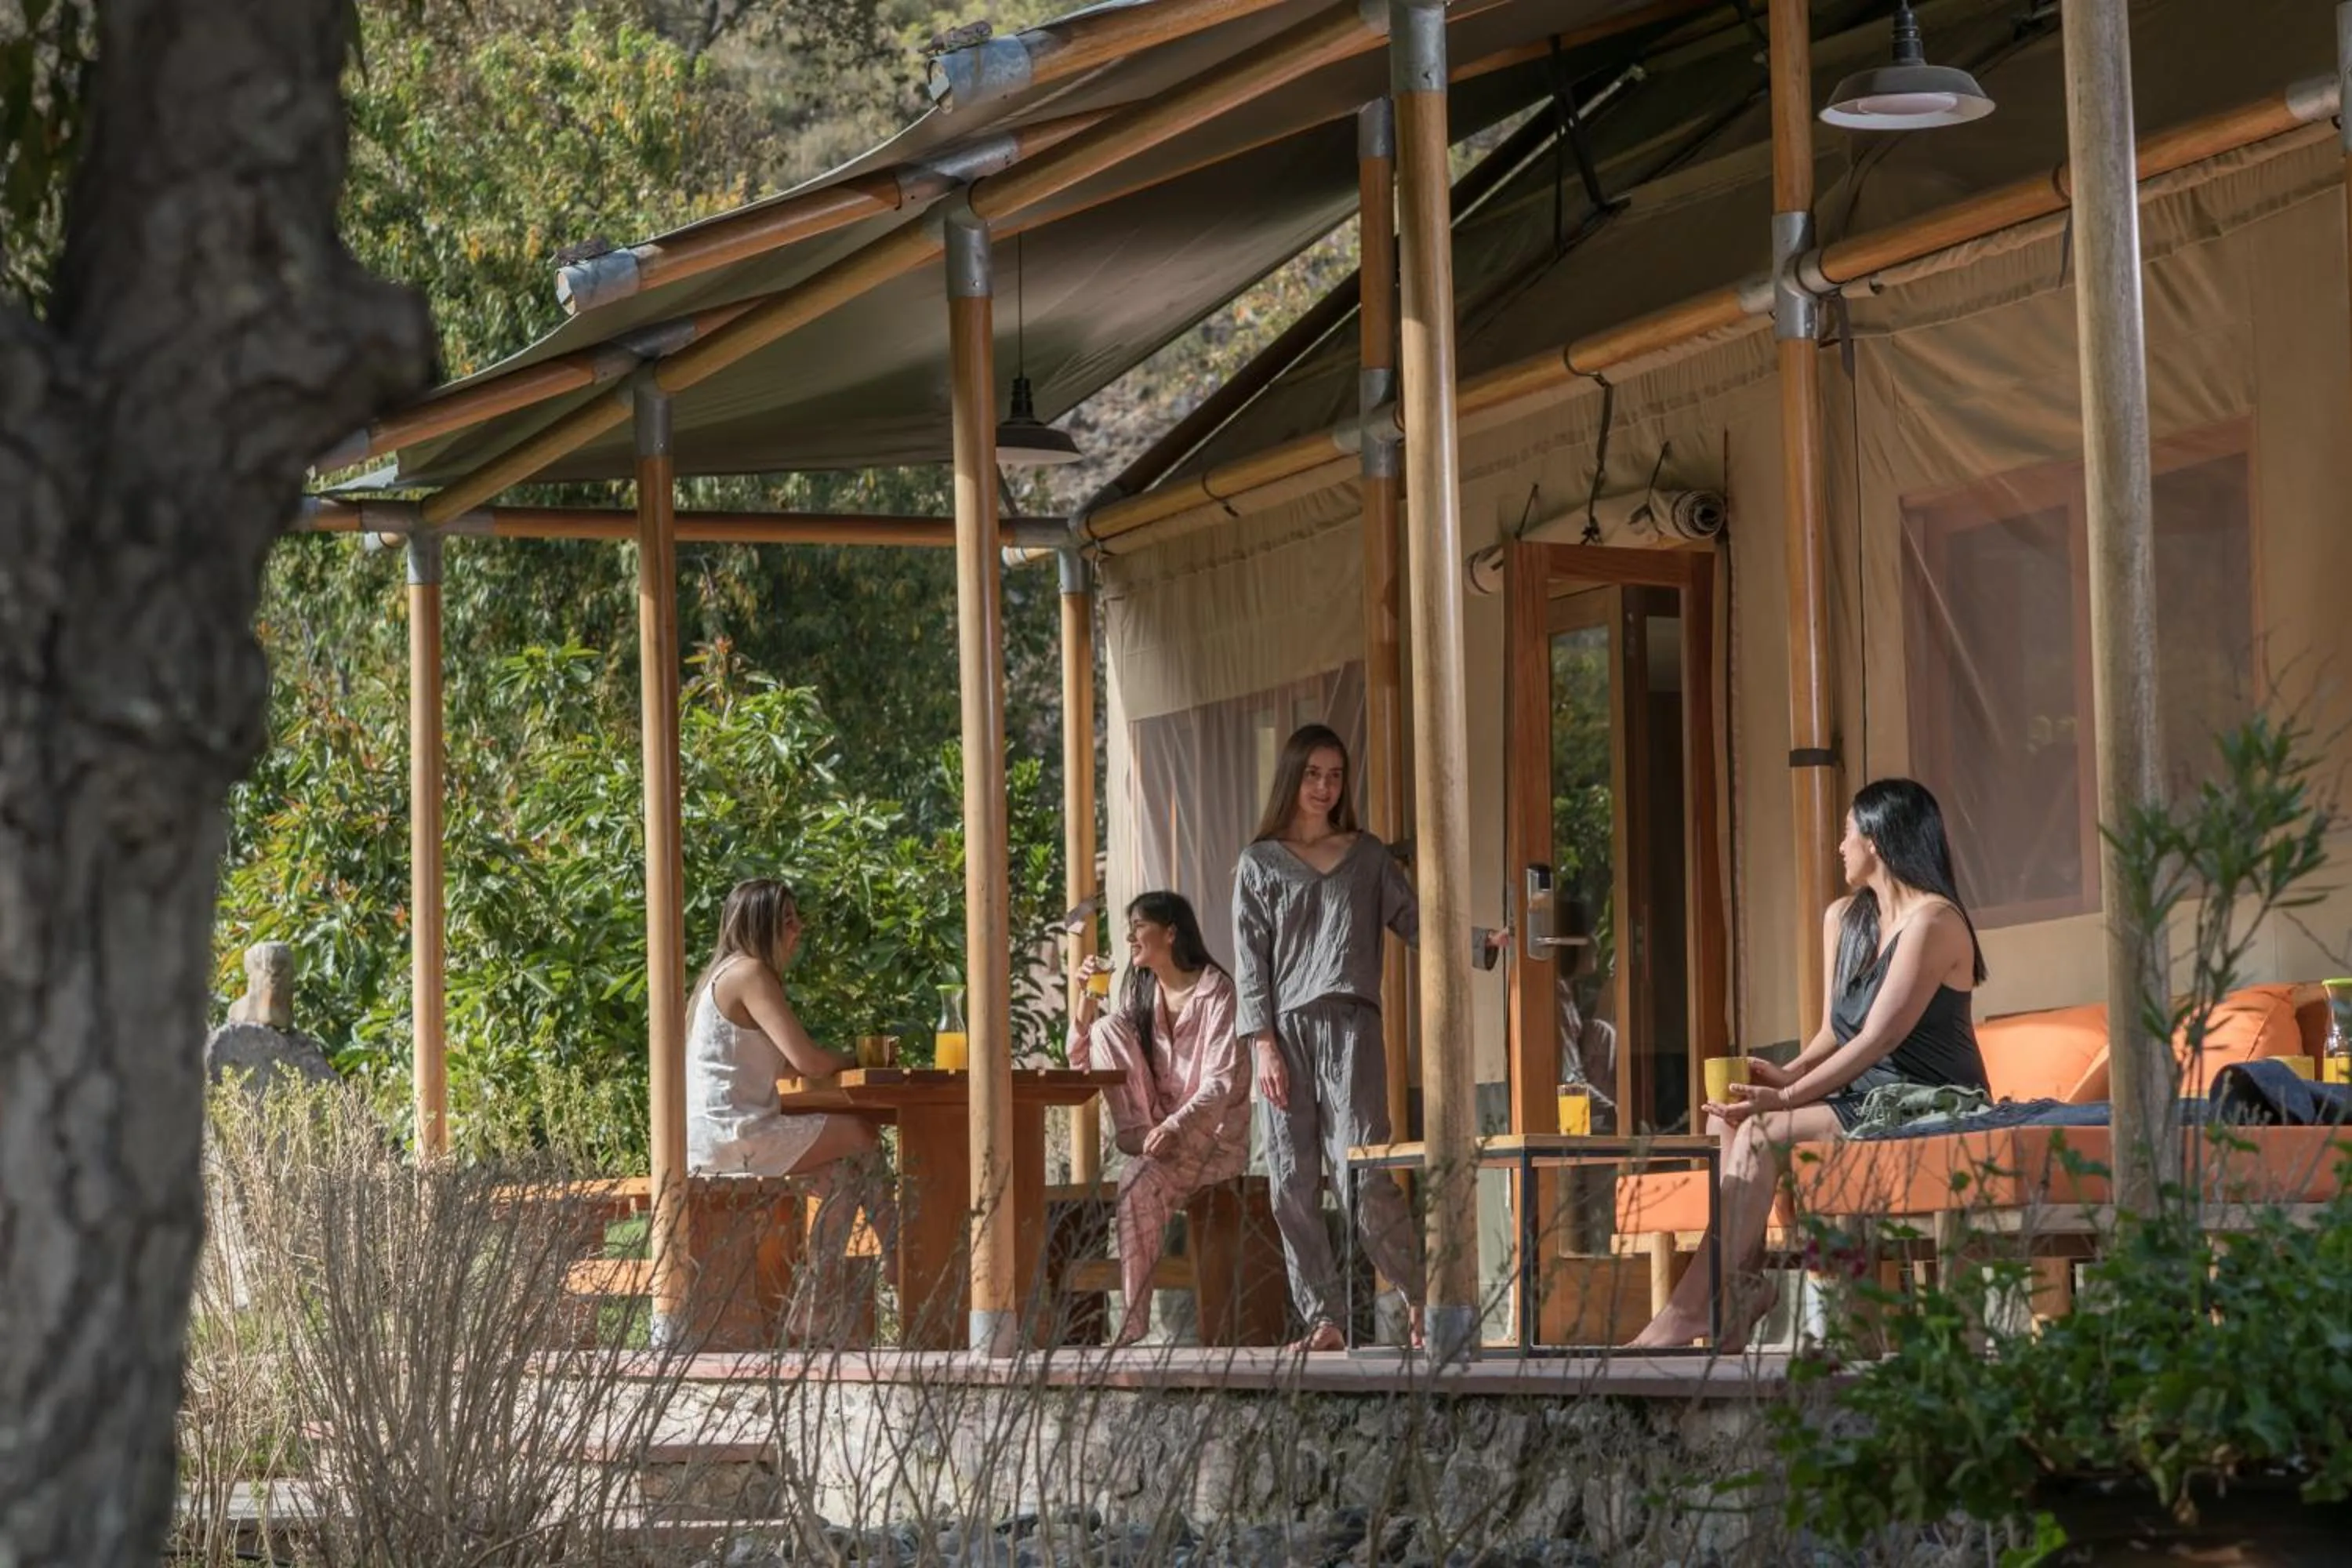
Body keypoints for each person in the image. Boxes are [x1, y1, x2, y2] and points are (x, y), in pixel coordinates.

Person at [1628, 778, 1989, 1352]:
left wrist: (1786, 1103)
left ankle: (1690, 1310)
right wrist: (1782, 1076)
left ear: (1875, 839)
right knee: (1726, 1121)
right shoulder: (1845, 919)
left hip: (1923, 1099)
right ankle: (1743, 1287)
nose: (1840, 847)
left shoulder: (1935, 923)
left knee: (1764, 1128)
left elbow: (1877, 1039)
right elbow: (1833, 1032)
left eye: (1847, 833)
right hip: (1859, 1096)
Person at [1232, 723, 1425, 1353]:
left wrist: (1482, 943)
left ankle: (1422, 1300)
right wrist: (1261, 1041)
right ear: (1293, 777)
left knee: (1365, 1174)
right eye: (1313, 774)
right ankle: (1324, 1319)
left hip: (1352, 1028)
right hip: (1283, 1035)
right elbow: (1249, 958)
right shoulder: (1260, 862)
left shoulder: (1367, 855)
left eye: (1335, 775)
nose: (1324, 786)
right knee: (1290, 1177)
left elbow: (1415, 920)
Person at [685, 878, 897, 1334]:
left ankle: (817, 1303)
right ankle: (900, 1260)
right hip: (735, 1136)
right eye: (787, 920)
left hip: (716, 1137)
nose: (798, 928)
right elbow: (807, 1062)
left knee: (840, 1172)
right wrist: (861, 1058)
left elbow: (776, 1072)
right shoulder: (750, 974)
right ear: (760, 924)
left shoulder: (721, 977)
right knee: (863, 1134)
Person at [1069, 891, 1250, 1347]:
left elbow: (1220, 1085)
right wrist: (1086, 1001)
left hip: (1210, 1142)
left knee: (1136, 1181)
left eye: (1139, 925)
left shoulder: (1217, 992)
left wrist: (1175, 1127)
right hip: (1156, 1139)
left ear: (1171, 932)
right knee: (1107, 1028)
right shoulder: (1142, 995)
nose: (1129, 935)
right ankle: (1132, 1324)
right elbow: (1081, 1063)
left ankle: (1131, 1325)